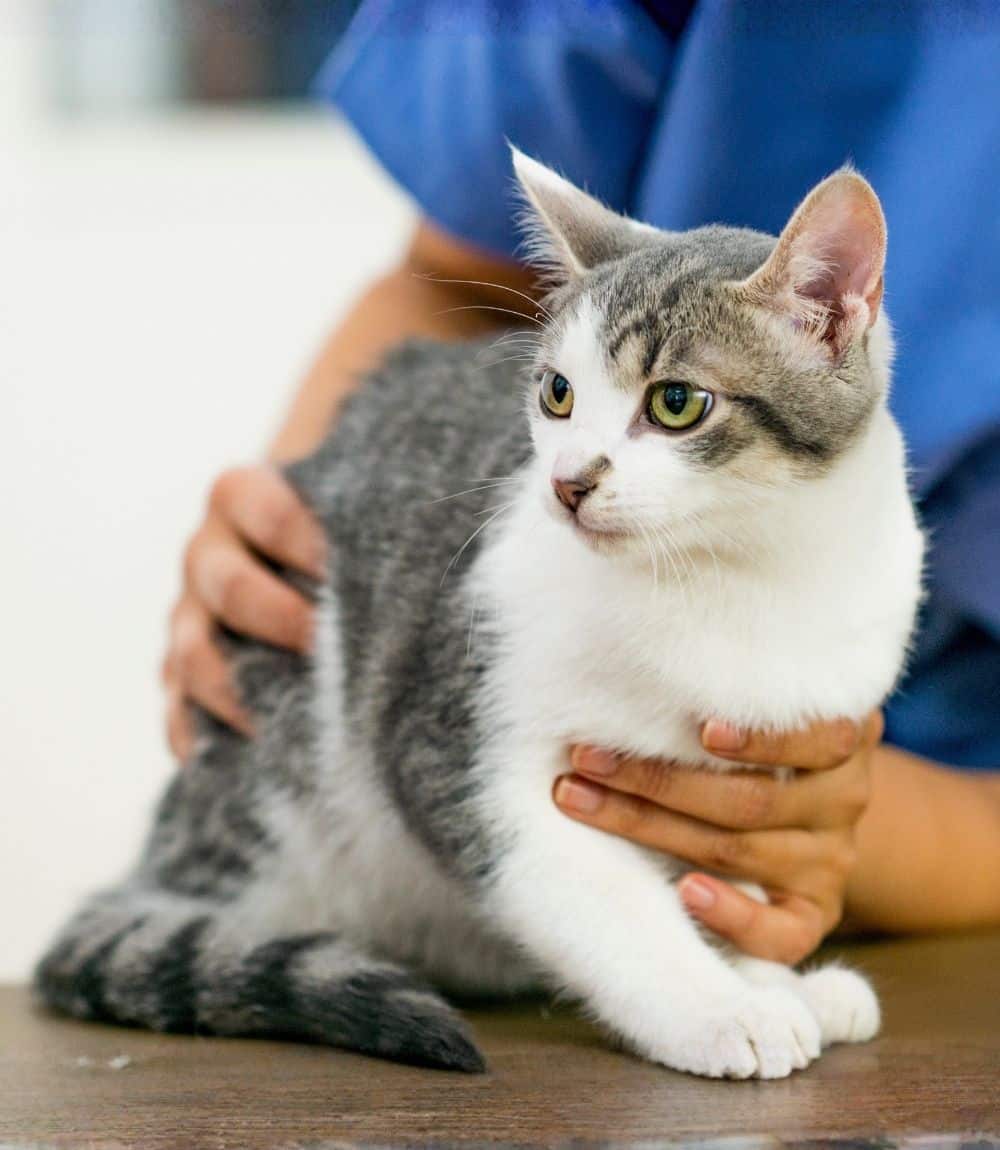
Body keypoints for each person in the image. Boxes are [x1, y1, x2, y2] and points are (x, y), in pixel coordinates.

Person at [161, 1, 1000, 966]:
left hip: (929, 854)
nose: (571, 474)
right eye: (555, 398)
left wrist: (843, 829)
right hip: (489, 841)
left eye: (675, 405)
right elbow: (453, 283)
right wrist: (284, 549)